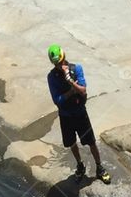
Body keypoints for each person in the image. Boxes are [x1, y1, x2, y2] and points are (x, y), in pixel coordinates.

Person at [46, 44, 111, 184]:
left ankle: (99, 167)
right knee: (71, 142)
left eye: (61, 62)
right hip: (65, 116)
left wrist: (70, 81)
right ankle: (80, 165)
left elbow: (83, 90)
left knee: (91, 141)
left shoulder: (77, 69)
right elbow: (57, 100)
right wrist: (70, 92)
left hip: (80, 113)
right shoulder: (52, 77)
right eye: (57, 64)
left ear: (64, 58)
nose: (59, 66)